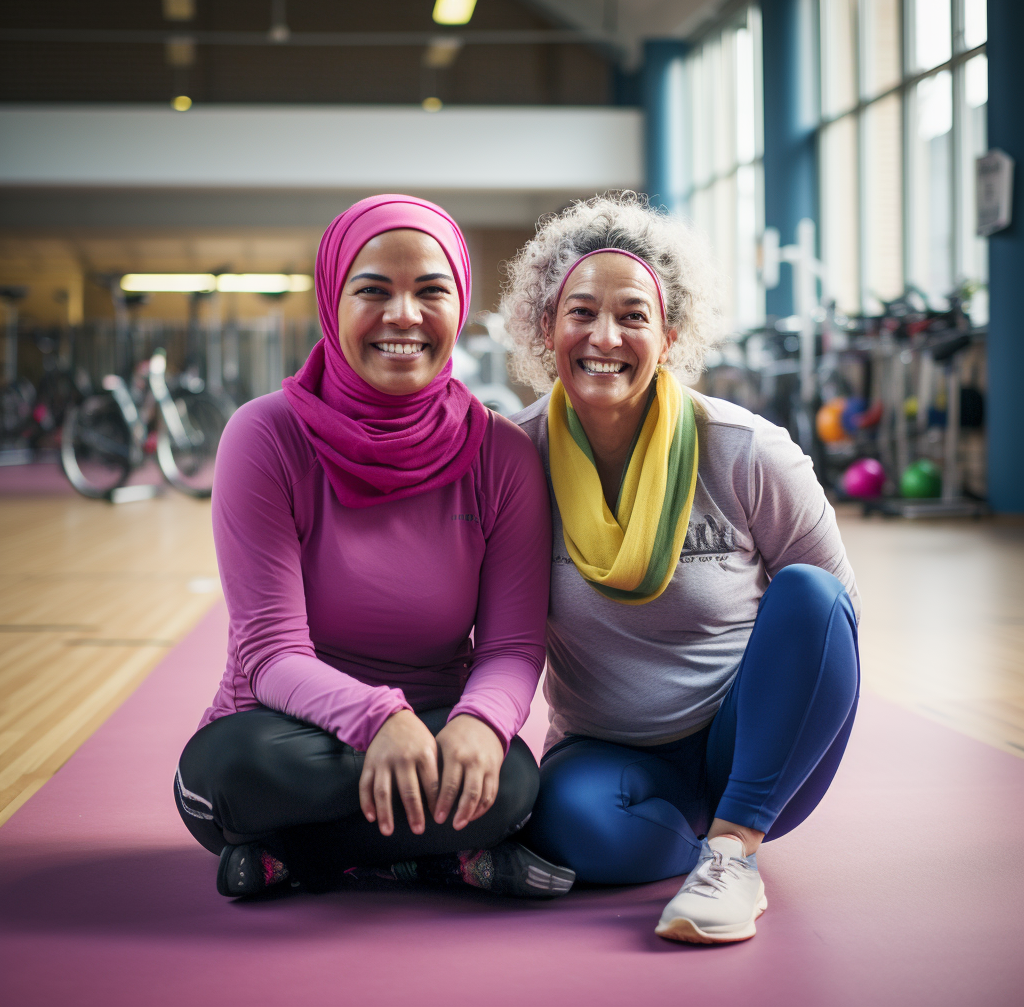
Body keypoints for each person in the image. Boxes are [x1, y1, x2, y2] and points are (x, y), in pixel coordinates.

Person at [174, 194, 574, 901]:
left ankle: (297, 857)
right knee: (233, 775)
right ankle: (430, 856)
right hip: (288, 735)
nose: (404, 317)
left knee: (511, 782)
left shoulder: (502, 454)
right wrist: (377, 718)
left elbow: (511, 648)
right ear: (333, 302)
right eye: (373, 291)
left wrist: (480, 725)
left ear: (460, 305)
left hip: (433, 732)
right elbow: (272, 656)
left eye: (430, 292)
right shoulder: (264, 437)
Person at [503, 192, 860, 943]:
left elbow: (836, 618)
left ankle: (733, 851)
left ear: (669, 334)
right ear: (547, 327)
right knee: (570, 829)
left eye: (633, 314)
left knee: (811, 594)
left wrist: (768, 755)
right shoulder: (512, 459)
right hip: (609, 754)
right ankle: (704, 839)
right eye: (582, 312)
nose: (606, 335)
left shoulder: (744, 450)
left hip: (749, 741)